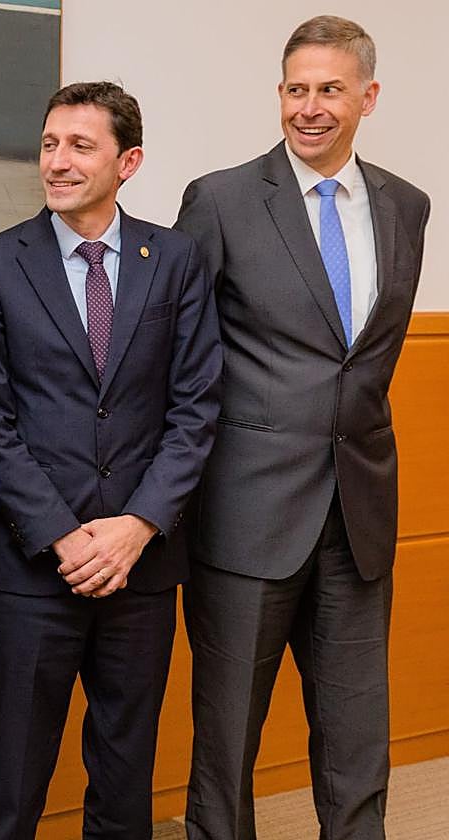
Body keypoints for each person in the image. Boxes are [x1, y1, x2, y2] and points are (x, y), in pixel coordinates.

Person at [175, 16, 430, 840]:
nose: (309, 107)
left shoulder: (407, 206)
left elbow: (369, 359)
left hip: (360, 517)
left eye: (329, 90)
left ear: (368, 97)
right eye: (295, 89)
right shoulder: (219, 200)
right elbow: (178, 358)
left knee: (359, 746)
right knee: (226, 747)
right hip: (245, 516)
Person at [0, 81, 222, 840]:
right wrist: (64, 535)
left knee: (125, 776)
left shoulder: (175, 260)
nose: (58, 161)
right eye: (49, 144)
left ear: (127, 161)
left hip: (142, 567)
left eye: (80, 145)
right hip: (34, 566)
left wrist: (137, 526)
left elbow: (196, 408)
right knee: (11, 780)